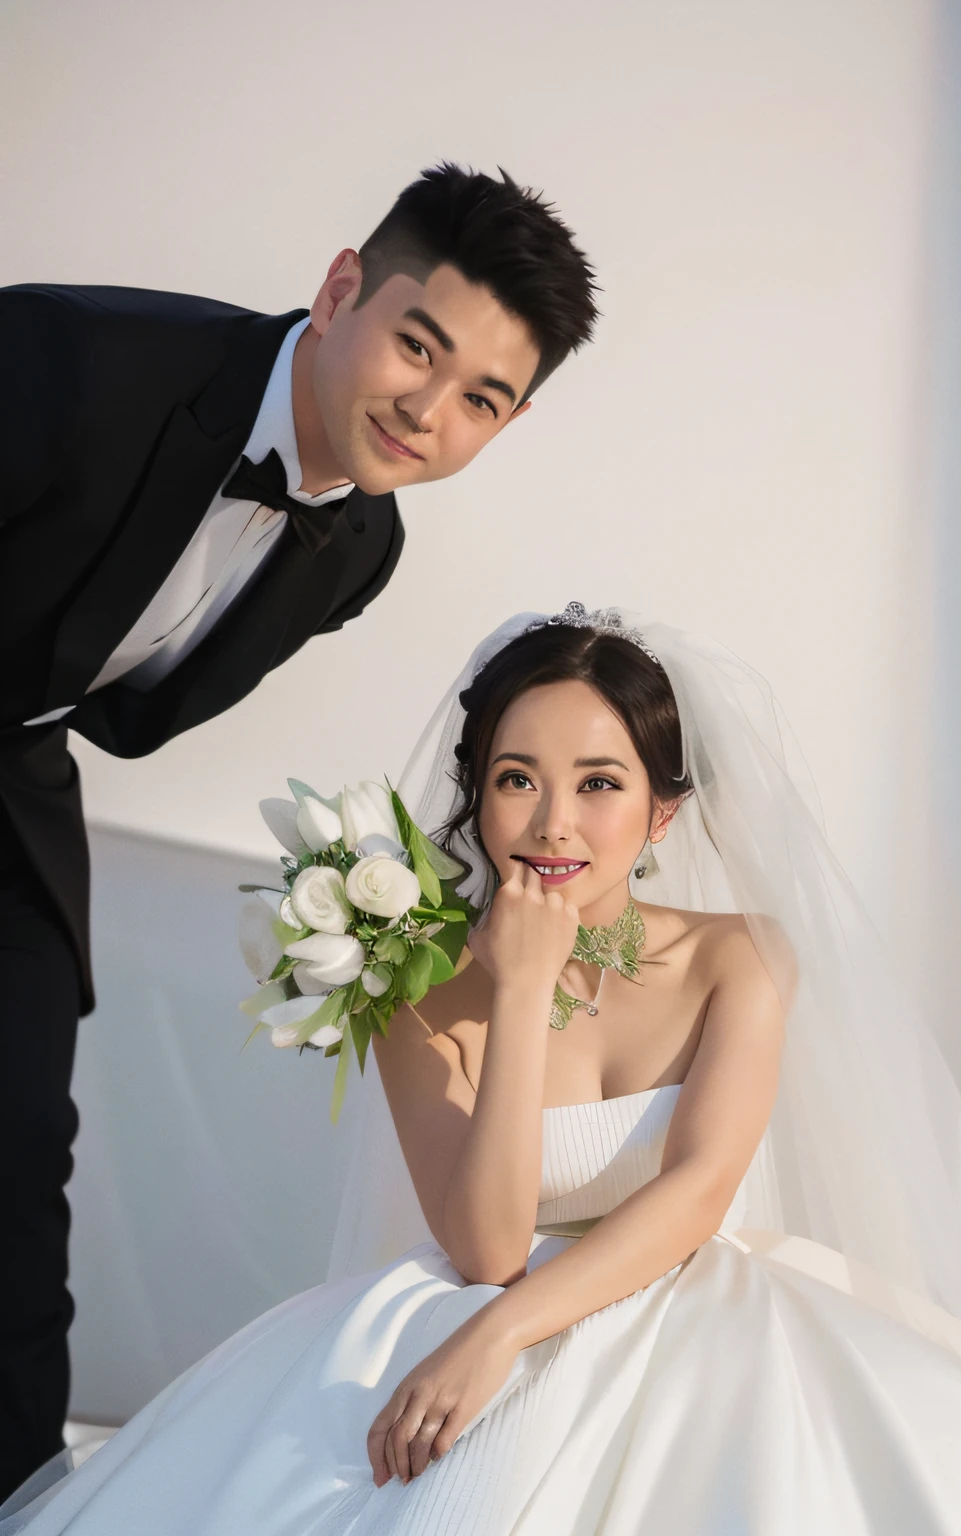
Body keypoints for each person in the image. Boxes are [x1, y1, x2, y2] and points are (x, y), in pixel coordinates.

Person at [3, 601, 961, 1534]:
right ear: (479, 795)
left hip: (690, 1320)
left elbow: (698, 1191)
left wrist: (499, 1338)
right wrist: (522, 991)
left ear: (661, 813)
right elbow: (487, 1247)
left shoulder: (740, 955)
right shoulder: (411, 987)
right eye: (515, 779)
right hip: (471, 1299)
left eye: (599, 784)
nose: (551, 824)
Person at [0, 167, 598, 1504]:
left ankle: (29, 1500)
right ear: (341, 291)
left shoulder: (359, 550)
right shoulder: (69, 361)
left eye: (483, 401)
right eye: (416, 346)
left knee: (22, 1145)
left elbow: (119, 698)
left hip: (14, 781)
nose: (427, 413)